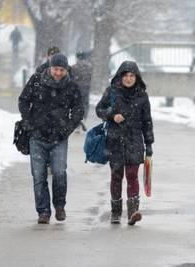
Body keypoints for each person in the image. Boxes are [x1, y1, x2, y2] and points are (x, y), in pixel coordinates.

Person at [18, 53, 84, 224]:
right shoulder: (36, 81)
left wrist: (67, 128)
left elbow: (78, 110)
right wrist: (29, 122)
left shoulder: (71, 86)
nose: (58, 73)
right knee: (38, 176)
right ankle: (43, 211)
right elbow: (23, 101)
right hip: (37, 136)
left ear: (66, 70)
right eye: (55, 69)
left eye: (61, 70)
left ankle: (60, 205)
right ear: (49, 67)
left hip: (59, 138)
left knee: (59, 173)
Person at [95, 61, 154, 225]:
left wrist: (149, 144)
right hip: (115, 140)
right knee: (116, 176)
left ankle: (133, 212)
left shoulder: (142, 95)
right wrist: (112, 116)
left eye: (132, 76)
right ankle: (115, 212)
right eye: (126, 75)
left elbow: (147, 121)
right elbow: (99, 109)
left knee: (132, 176)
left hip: (135, 140)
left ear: (136, 77)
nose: (129, 79)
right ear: (120, 76)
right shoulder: (112, 92)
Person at [72, 51, 93, 130]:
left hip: (77, 88)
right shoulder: (90, 67)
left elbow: (72, 78)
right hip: (86, 88)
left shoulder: (74, 67)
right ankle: (84, 118)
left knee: (77, 105)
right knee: (85, 104)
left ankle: (77, 122)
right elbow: (90, 78)